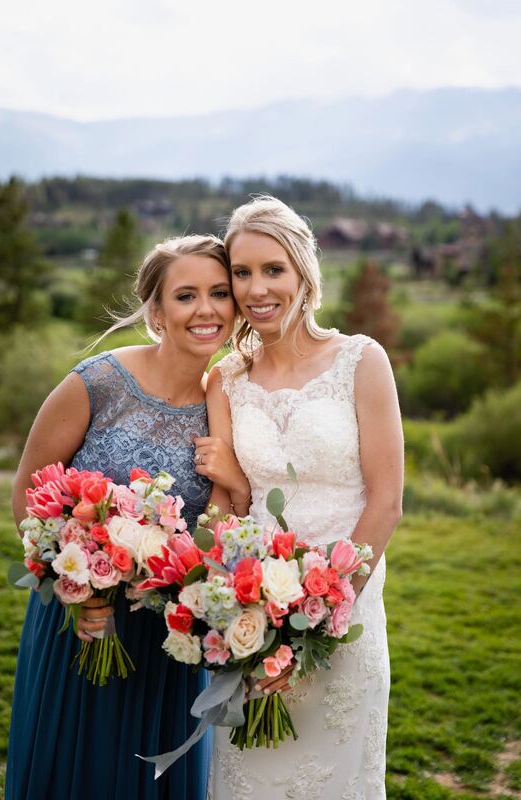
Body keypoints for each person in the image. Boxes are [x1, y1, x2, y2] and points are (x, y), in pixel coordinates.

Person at [5, 234, 245, 800]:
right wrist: (77, 586)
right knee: (70, 769)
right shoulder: (98, 382)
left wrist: (231, 479)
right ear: (156, 311)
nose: (206, 309)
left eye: (219, 293)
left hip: (168, 638)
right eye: (186, 295)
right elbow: (26, 496)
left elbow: (218, 530)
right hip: (79, 623)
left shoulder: (228, 397)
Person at [195, 197, 404, 800]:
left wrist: (317, 621)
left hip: (343, 613)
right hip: (249, 612)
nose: (256, 288)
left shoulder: (361, 361)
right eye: (241, 272)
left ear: (303, 272)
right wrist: (246, 619)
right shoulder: (225, 378)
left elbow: (386, 501)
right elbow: (222, 511)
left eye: (272, 269)